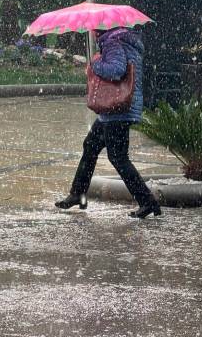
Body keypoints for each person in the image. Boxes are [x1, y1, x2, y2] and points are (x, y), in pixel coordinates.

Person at [55, 27, 162, 219]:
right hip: (113, 111)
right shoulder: (121, 41)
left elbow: (116, 70)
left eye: (94, 29)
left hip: (117, 111)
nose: (93, 32)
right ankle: (78, 194)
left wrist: (95, 64)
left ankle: (147, 202)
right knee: (90, 146)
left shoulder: (113, 43)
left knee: (118, 157)